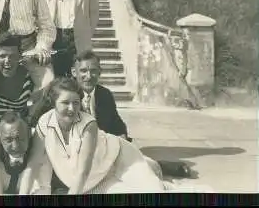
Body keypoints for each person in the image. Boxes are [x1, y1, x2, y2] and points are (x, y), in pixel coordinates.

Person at [36, 77, 170, 194]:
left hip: (120, 157)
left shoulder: (88, 124)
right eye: (65, 102)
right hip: (97, 176)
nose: (71, 108)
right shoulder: (44, 123)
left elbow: (83, 171)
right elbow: (32, 165)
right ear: (53, 103)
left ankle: (147, 165)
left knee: (155, 192)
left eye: (76, 102)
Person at [71, 50, 192, 180]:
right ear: (74, 72)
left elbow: (117, 124)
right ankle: (160, 166)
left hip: (105, 147)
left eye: (93, 71)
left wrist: (121, 137)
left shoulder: (104, 95)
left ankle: (155, 166)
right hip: (77, 150)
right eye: (83, 71)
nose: (89, 76)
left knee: (133, 166)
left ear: (100, 72)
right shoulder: (68, 95)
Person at [0, 111, 53, 195]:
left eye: (20, 138)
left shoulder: (41, 150)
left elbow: (43, 190)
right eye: (8, 140)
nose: (15, 146)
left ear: (29, 133)